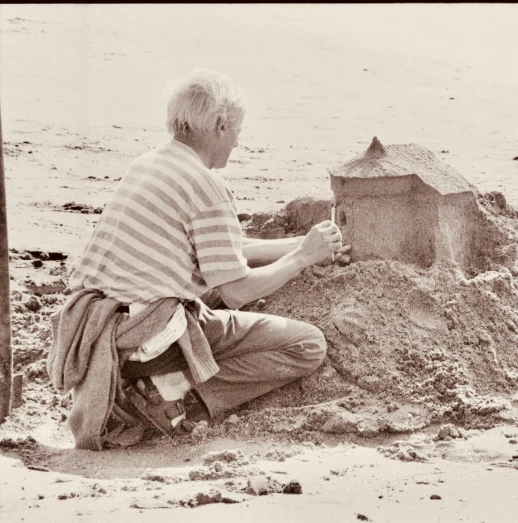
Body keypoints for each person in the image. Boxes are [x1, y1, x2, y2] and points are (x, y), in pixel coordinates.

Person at [47, 68, 350, 450]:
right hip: (144, 330)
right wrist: (303, 258)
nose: (238, 142)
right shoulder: (207, 185)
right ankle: (178, 394)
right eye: (238, 131)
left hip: (98, 325)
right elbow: (237, 290)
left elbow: (224, 250)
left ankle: (152, 380)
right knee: (308, 345)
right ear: (221, 125)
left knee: (209, 292)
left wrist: (302, 244)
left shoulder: (147, 164)